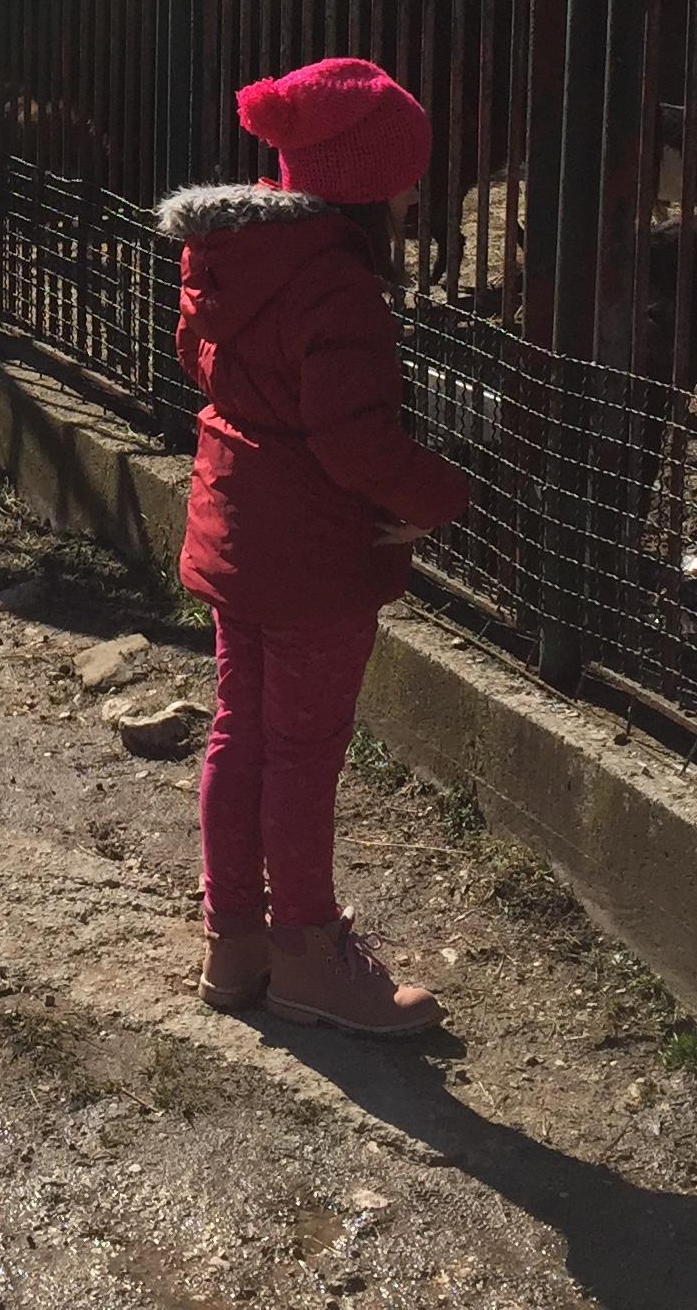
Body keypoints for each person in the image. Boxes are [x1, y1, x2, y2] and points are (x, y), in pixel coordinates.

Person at [159, 55, 473, 1038]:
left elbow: (200, 363)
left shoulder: (228, 253)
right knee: (301, 754)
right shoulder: (335, 285)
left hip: (234, 524)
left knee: (236, 735)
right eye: (408, 172)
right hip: (311, 555)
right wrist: (435, 498)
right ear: (367, 183)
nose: (420, 189)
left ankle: (234, 943)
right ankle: (306, 953)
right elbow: (352, 439)